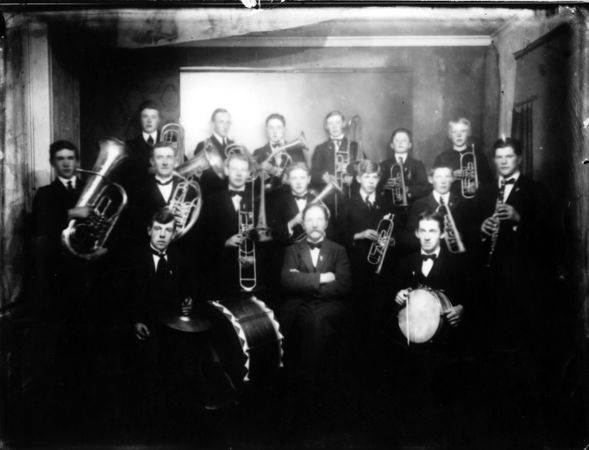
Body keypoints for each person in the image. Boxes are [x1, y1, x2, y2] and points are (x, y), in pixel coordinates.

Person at [473, 137, 553, 449]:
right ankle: (491, 420)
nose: (504, 161)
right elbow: (468, 232)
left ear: (519, 158)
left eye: (509, 156)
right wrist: (482, 230)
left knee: (520, 353)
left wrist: (518, 221)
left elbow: (549, 237)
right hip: (489, 285)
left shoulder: (536, 191)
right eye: (499, 157)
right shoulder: (484, 192)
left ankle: (520, 422)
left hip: (521, 287)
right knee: (489, 351)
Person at [125, 209, 234, 427]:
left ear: (174, 234)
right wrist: (136, 321)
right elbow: (126, 296)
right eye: (158, 229)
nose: (162, 235)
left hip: (174, 325)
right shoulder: (135, 258)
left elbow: (191, 288)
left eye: (167, 230)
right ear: (149, 231)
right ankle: (152, 418)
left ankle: (190, 413)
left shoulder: (180, 258)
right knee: (153, 366)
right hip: (147, 325)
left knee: (192, 358)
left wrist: (189, 300)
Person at [388, 212, 472, 447]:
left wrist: (461, 308)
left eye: (432, 231)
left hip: (448, 340)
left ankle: (442, 438)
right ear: (416, 233)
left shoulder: (457, 262)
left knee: (444, 390)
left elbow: (473, 295)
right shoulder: (406, 262)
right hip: (412, 340)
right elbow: (392, 294)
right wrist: (397, 295)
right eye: (423, 231)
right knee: (408, 385)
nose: (427, 237)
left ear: (442, 234)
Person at [280, 202, 352, 432]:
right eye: (309, 219)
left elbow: (343, 286)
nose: (314, 224)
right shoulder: (292, 250)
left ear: (326, 223)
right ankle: (306, 396)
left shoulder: (338, 250)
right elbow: (287, 281)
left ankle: (312, 395)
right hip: (299, 307)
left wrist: (304, 282)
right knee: (306, 324)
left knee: (318, 322)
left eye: (319, 219)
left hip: (330, 306)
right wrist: (321, 278)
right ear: (302, 224)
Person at [204, 152, 261, 296]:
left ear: (249, 173)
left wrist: (255, 258)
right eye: (234, 169)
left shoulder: (258, 200)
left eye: (243, 169)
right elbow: (204, 235)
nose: (239, 173)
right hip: (220, 271)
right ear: (226, 170)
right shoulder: (212, 199)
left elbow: (268, 238)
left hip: (251, 272)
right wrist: (225, 242)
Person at [126, 142, 185, 245]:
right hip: (146, 249)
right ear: (152, 162)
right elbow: (132, 228)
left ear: (175, 161)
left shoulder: (188, 189)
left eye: (169, 157)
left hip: (179, 249)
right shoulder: (138, 190)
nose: (165, 162)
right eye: (160, 157)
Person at [405, 164, 470, 253]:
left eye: (447, 176)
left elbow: (470, 235)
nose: (443, 181)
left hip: (456, 255)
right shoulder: (419, 204)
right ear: (430, 179)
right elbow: (409, 237)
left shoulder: (463, 203)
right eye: (439, 177)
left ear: (452, 179)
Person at [433, 118, 492, 199]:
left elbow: (489, 182)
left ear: (469, 133)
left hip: (473, 202)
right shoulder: (442, 157)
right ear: (450, 135)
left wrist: (477, 185)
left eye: (463, 131)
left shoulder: (479, 156)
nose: (459, 135)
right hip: (450, 201)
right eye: (454, 132)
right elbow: (434, 183)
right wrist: (452, 176)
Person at [310, 111, 362, 195]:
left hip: (351, 193)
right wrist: (322, 175)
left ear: (343, 124)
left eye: (337, 123)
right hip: (329, 195)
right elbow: (313, 173)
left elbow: (364, 168)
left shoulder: (354, 146)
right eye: (330, 124)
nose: (334, 127)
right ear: (326, 127)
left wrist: (352, 175)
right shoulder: (320, 148)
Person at [253, 113, 307, 192]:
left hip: (290, 195)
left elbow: (303, 178)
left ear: (284, 129)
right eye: (271, 127)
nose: (274, 132)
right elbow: (254, 183)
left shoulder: (297, 151)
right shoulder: (258, 152)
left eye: (278, 127)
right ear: (266, 130)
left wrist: (273, 171)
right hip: (269, 196)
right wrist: (259, 169)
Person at [379, 128, 430, 206]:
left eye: (404, 140)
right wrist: (386, 186)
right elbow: (378, 187)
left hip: (412, 206)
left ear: (409, 145)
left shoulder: (418, 165)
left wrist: (409, 191)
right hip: (390, 206)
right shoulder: (384, 165)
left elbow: (425, 187)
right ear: (391, 145)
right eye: (397, 140)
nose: (400, 143)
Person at [193, 108, 233, 197]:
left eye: (228, 122)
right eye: (221, 122)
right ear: (213, 124)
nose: (225, 126)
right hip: (212, 198)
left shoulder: (234, 146)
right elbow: (202, 178)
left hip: (233, 197)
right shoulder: (203, 146)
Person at [123, 100, 162, 190]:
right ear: (140, 119)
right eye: (145, 116)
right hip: (139, 194)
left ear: (159, 120)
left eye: (153, 117)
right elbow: (126, 177)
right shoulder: (129, 146)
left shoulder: (170, 140)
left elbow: (181, 163)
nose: (149, 121)